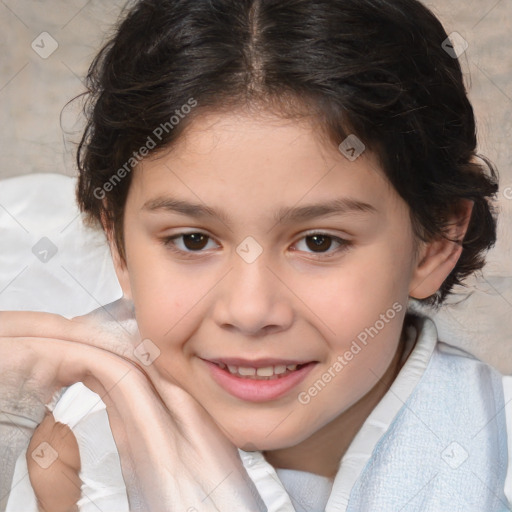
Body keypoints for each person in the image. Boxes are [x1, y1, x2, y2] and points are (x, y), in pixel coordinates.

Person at [1, 0, 510, 510]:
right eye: (193, 240)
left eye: (319, 242)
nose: (249, 311)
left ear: (437, 240)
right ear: (119, 245)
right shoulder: (77, 455)